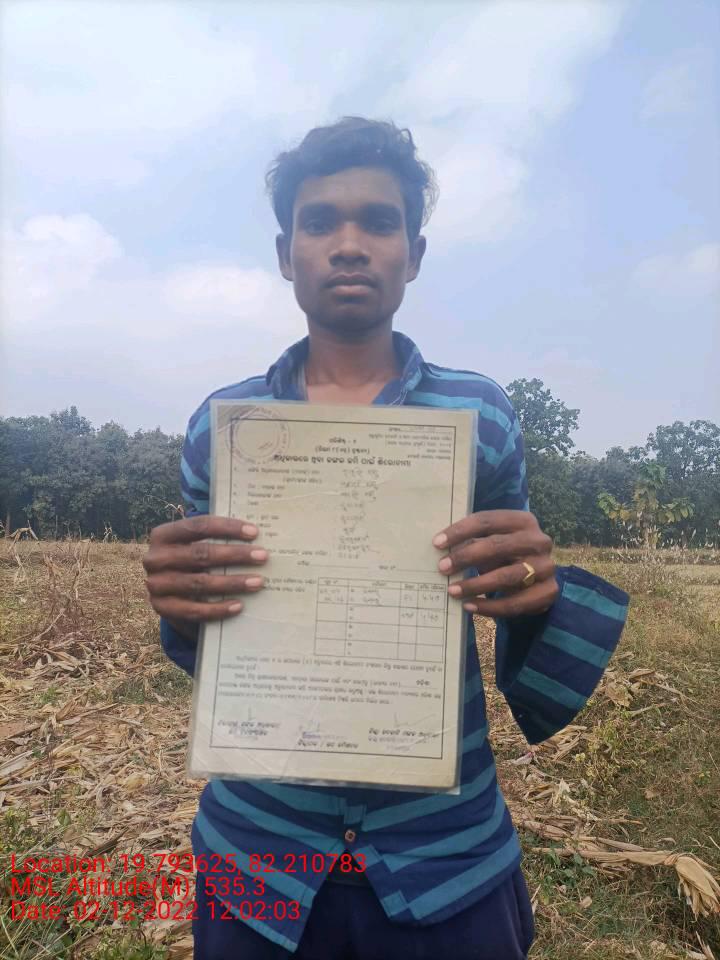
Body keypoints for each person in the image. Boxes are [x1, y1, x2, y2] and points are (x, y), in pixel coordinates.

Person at [143, 117, 629, 959]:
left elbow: (512, 589)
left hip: (445, 854)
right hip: (259, 855)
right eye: (319, 222)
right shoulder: (223, 429)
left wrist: (529, 588)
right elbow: (213, 641)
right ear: (286, 253)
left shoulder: (479, 415)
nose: (349, 245)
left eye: (378, 221)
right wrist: (180, 607)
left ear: (414, 253)